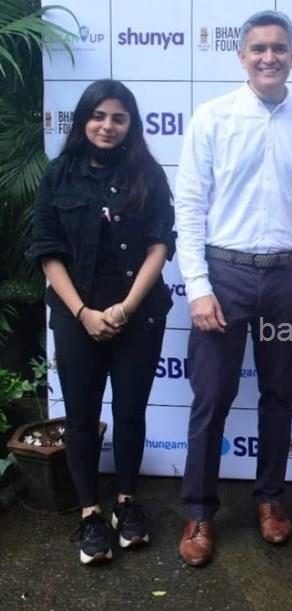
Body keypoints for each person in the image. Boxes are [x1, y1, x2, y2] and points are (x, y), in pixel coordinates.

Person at [174, 10, 292, 567]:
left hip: (288, 278)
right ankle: (199, 511)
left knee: (279, 395)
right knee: (212, 397)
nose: (269, 57)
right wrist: (198, 287)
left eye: (279, 48)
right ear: (241, 55)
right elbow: (189, 206)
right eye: (259, 48)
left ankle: (270, 499)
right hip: (225, 274)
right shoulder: (212, 118)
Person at [29, 79, 174, 565]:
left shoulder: (148, 174)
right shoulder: (59, 174)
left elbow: (160, 244)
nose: (107, 126)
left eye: (118, 118)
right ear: (83, 120)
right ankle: (90, 513)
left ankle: (127, 503)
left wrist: (126, 307)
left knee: (131, 412)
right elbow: (47, 250)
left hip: (139, 313)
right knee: (81, 418)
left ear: (131, 125)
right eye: (98, 115)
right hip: (77, 317)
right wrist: (83, 313)